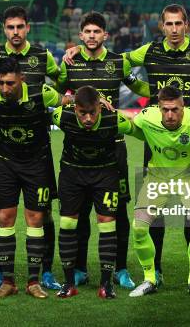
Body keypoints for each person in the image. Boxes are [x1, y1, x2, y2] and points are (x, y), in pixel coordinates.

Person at [56, 11, 150, 289]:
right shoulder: (70, 63)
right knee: (79, 212)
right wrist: (68, 98)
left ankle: (120, 268)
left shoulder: (117, 62)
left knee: (117, 211)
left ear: (105, 35)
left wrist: (163, 91)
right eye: (88, 32)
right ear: (81, 35)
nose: (93, 36)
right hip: (79, 149)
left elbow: (142, 88)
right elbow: (57, 92)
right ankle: (80, 268)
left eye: (98, 32)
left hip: (114, 149)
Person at [0, 6, 62, 291]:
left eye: (20, 27)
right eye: (10, 27)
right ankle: (1, 273)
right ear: (4, 29)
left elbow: (62, 82)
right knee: (0, 214)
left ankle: (45, 271)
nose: (15, 32)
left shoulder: (42, 56)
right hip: (4, 149)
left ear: (27, 28)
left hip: (37, 147)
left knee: (43, 212)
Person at [51, 86, 142, 299]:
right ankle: (69, 282)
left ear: (100, 107)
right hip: (72, 174)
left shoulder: (114, 120)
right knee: (68, 224)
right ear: (75, 109)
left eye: (93, 112)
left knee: (107, 223)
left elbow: (142, 130)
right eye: (83, 113)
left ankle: (105, 284)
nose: (88, 118)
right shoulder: (61, 116)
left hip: (105, 175)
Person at [127, 85, 190, 299]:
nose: (170, 114)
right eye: (165, 109)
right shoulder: (146, 116)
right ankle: (150, 279)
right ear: (158, 108)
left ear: (182, 106)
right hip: (158, 176)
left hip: (189, 177)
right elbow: (130, 126)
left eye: (175, 109)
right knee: (139, 227)